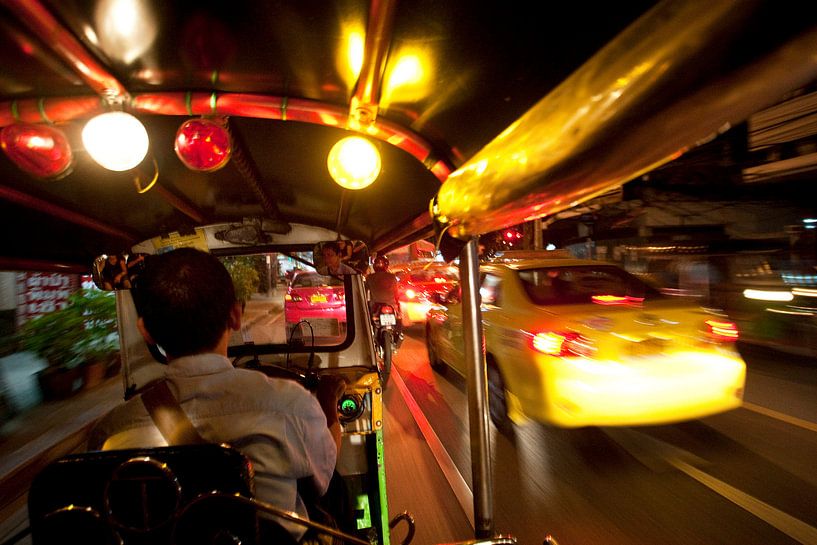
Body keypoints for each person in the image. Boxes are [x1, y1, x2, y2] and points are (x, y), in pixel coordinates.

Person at [87, 248, 347, 541]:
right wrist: (327, 402)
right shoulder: (291, 403)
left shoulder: (109, 434)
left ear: (146, 331)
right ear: (236, 315)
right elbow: (323, 477)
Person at [365, 255, 403, 340]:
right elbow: (396, 293)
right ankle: (399, 336)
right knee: (399, 319)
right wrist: (398, 306)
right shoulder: (392, 277)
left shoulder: (370, 277)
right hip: (391, 305)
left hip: (375, 307)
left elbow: (365, 291)